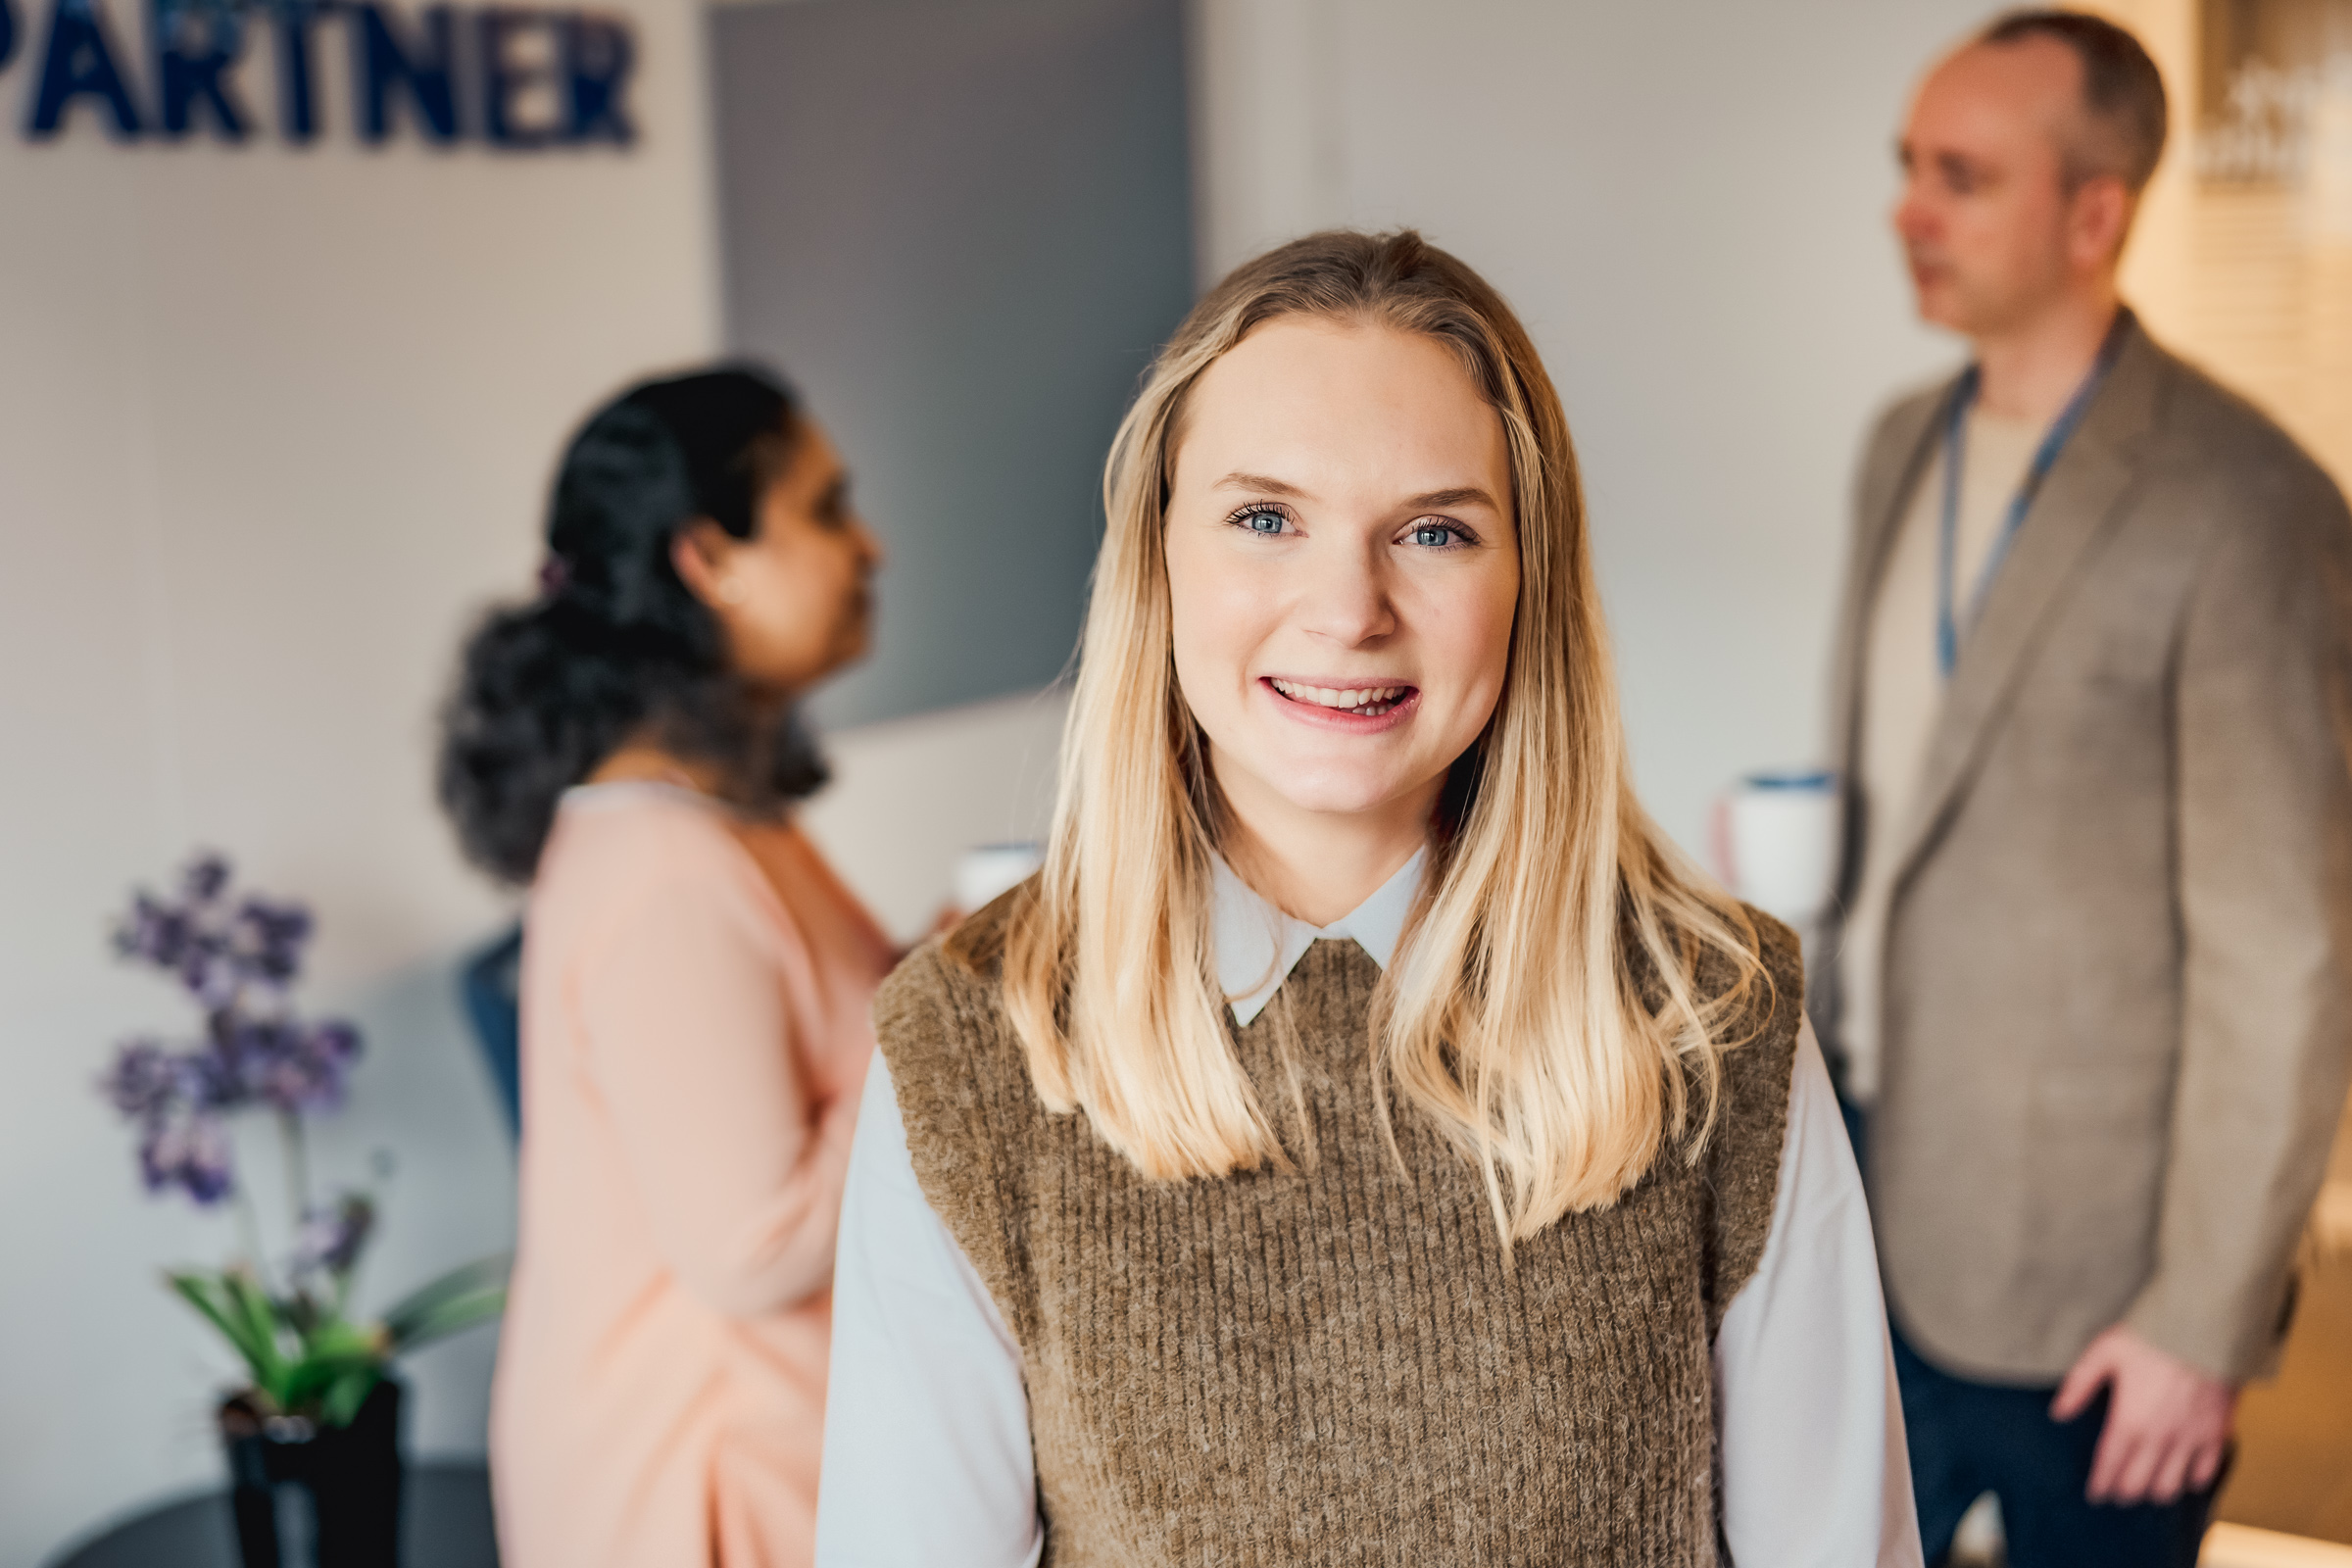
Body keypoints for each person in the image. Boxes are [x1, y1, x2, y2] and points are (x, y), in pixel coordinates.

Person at [815, 230, 1921, 1566]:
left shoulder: (1713, 1016)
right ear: (1158, 558)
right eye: (1265, 519)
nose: (1349, 609)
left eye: (1435, 531)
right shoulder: (974, 1045)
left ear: (1529, 581)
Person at [1818, 12, 2352, 1563]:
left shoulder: (2246, 503)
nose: (1909, 210)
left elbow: (2287, 954)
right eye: (1909, 167)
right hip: (1866, 1203)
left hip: (2102, 1294)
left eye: (1963, 177)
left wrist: (2203, 1321)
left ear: (2094, 212)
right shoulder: (1899, 446)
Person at [438, 368, 894, 1568]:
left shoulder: (729, 819)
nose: (871, 547)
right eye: (828, 509)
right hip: (710, 1492)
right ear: (708, 559)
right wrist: (946, 1013)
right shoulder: (665, 869)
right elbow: (754, 1248)